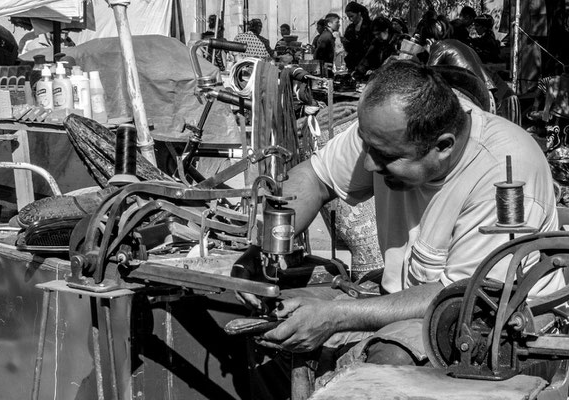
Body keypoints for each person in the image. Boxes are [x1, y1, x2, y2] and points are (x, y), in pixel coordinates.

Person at [236, 60, 565, 394]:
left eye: (384, 157)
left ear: (443, 146)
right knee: (268, 318)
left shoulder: (504, 174)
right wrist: (264, 247)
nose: (368, 164)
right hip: (413, 299)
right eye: (367, 147)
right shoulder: (389, 130)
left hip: (496, 323)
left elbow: (459, 298)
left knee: (387, 364)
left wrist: (334, 315)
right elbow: (315, 178)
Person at [342, 1, 373, 73]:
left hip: (367, 64)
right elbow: (348, 48)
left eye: (352, 16)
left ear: (359, 13)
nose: (350, 19)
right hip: (352, 64)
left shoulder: (370, 26)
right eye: (348, 17)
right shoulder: (350, 28)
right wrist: (345, 43)